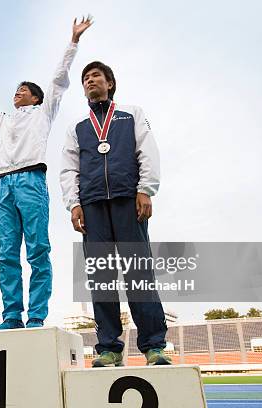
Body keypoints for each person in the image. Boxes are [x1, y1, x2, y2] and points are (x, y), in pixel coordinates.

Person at [0, 17, 92, 330]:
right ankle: (12, 315)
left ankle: (36, 316)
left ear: (36, 98)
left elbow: (58, 80)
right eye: (16, 89)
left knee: (38, 249)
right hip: (4, 186)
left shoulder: (43, 113)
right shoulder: (4, 120)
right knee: (6, 254)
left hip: (31, 181)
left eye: (24, 90)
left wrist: (73, 41)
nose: (18, 92)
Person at [60, 61, 171, 366]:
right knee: (101, 278)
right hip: (92, 205)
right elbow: (69, 168)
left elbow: (147, 150)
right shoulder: (77, 127)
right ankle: (109, 347)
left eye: (96, 76)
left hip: (127, 199)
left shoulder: (131, 114)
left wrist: (146, 188)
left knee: (139, 274)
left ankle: (154, 346)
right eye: (85, 78)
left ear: (110, 83)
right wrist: (73, 204)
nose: (89, 81)